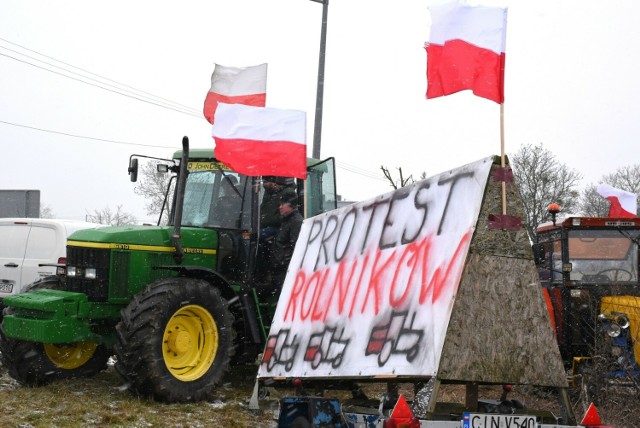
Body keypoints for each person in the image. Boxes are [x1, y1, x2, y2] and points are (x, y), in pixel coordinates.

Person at [269, 190, 303, 294]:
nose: (280, 207)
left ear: (291, 205)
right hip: (280, 268)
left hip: (284, 271)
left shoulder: (296, 222)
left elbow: (296, 248)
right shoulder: (286, 220)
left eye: (283, 204)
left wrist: (287, 267)